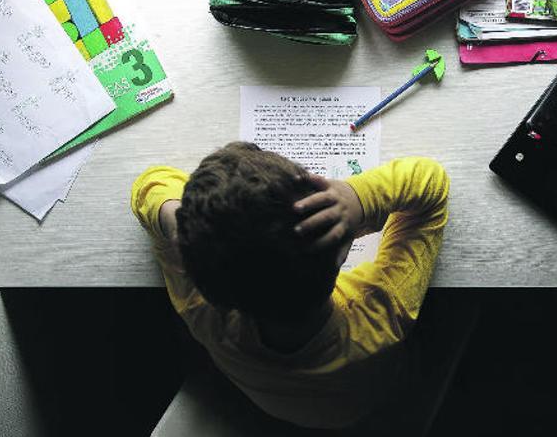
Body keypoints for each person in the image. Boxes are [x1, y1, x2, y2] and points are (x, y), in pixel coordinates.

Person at [130, 142, 450, 429]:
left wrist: (181, 223)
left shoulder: (203, 312)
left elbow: (149, 185)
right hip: (375, 406)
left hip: (267, 407)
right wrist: (359, 198)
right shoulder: (377, 318)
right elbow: (431, 185)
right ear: (343, 246)